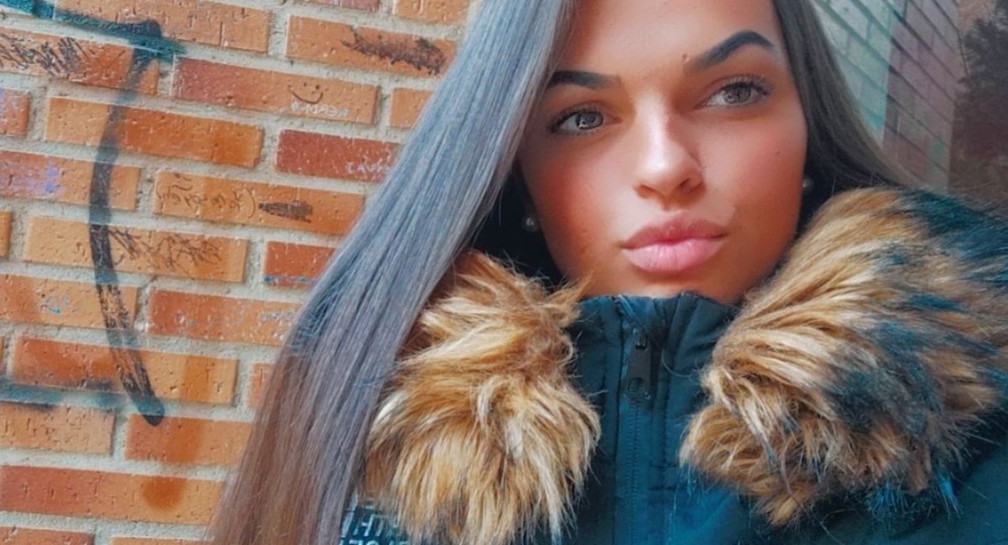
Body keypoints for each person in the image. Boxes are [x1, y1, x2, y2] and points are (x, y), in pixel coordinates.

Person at [209, 1, 1008, 544]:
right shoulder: (371, 463)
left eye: (734, 91)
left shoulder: (975, 444)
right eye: (581, 117)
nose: (665, 166)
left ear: (808, 125)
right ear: (516, 175)